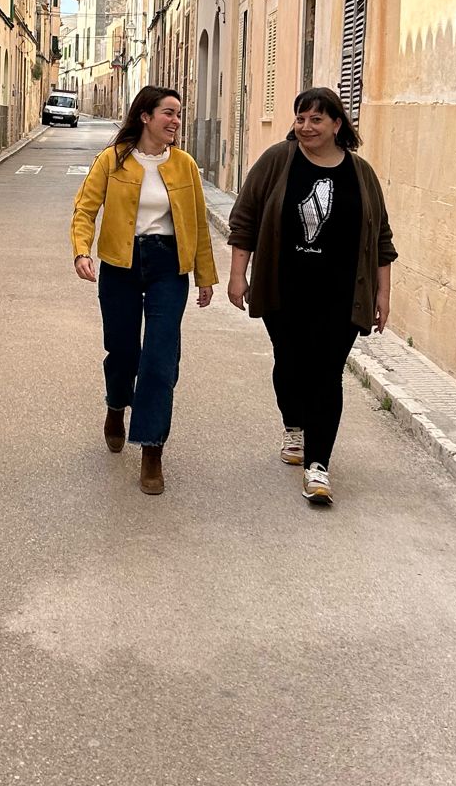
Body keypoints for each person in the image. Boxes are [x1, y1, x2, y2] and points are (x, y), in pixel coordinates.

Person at [225, 85, 396, 506]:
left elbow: (382, 240)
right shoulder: (277, 161)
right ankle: (294, 427)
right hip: (284, 289)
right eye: (300, 118)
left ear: (337, 124)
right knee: (289, 364)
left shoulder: (362, 173)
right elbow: (244, 219)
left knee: (327, 375)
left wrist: (382, 295)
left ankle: (318, 466)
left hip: (342, 295)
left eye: (316, 119)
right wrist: (238, 276)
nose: (305, 127)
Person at [70, 86, 218, 495]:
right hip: (121, 263)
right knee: (122, 351)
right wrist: (82, 250)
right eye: (168, 113)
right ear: (145, 117)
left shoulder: (184, 165)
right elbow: (85, 208)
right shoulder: (112, 160)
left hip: (168, 265)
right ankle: (116, 405)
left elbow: (198, 224)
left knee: (159, 357)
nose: (175, 121)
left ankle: (152, 448)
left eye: (178, 114)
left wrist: (205, 274)